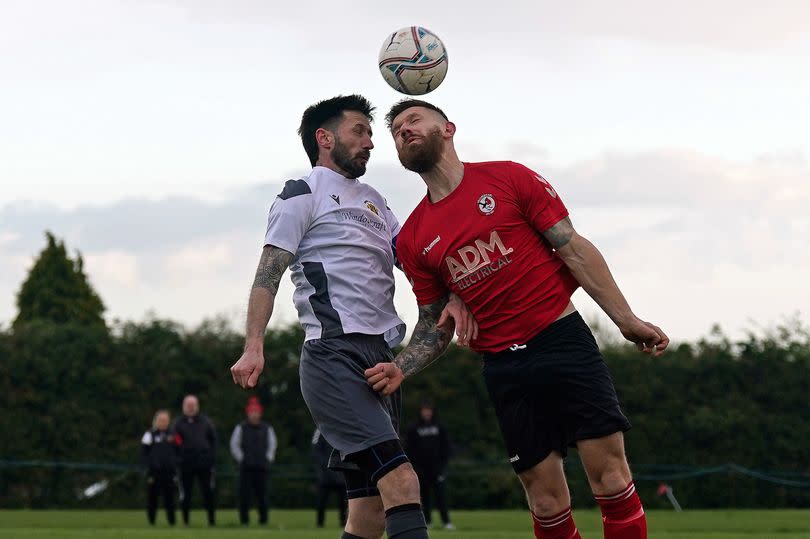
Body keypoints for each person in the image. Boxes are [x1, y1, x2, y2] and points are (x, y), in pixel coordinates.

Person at [365, 99, 670, 539]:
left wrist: (626, 320)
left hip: (561, 339)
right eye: (395, 130)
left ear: (448, 128)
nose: (403, 131)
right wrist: (402, 366)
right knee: (545, 501)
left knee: (612, 479)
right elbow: (434, 321)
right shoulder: (413, 237)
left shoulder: (507, 177)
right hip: (504, 367)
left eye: (413, 120)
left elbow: (573, 248)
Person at [229, 94, 477, 539]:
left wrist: (453, 293)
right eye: (359, 131)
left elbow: (415, 259)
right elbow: (268, 272)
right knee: (402, 481)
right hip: (333, 357)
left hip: (380, 361)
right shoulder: (301, 194)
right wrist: (253, 346)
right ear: (325, 138)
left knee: (369, 513)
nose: (370, 142)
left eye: (370, 133)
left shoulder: (376, 202)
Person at [229, 396, 277, 525]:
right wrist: (241, 459)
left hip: (262, 467)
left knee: (263, 496)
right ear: (248, 413)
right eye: (252, 412)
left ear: (260, 413)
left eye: (256, 412)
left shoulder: (267, 428)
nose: (254, 415)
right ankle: (244, 521)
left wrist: (268, 458)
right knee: (244, 496)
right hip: (246, 467)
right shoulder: (241, 427)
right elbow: (234, 445)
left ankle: (263, 520)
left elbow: (272, 445)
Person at [405, 403, 453, 530]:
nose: (427, 413)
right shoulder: (413, 428)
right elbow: (409, 449)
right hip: (421, 470)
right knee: (424, 497)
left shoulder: (440, 427)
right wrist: (414, 467)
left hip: (437, 469)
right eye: (424, 410)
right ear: (421, 411)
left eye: (429, 410)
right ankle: (427, 522)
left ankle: (446, 522)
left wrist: (443, 466)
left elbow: (446, 447)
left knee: (441, 496)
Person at [172, 394, 217, 526]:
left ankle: (211, 522)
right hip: (185, 465)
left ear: (197, 406)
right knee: (186, 494)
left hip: (204, 464)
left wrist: (211, 457)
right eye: (188, 405)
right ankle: (185, 522)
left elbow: (213, 440)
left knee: (208, 492)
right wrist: (178, 458)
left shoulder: (206, 422)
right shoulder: (178, 423)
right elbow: (174, 441)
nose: (191, 408)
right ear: (183, 407)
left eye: (193, 405)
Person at [141, 409, 178, 526]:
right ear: (156, 421)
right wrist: (149, 467)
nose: (163, 422)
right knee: (152, 498)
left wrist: (176, 463)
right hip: (154, 472)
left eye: (165, 420)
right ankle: (152, 522)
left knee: (170, 499)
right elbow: (144, 453)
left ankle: (172, 522)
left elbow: (180, 450)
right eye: (160, 420)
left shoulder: (174, 435)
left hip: (169, 472)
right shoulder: (149, 434)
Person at [311, 428, 348, 528]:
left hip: (341, 474)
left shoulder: (344, 427)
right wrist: (325, 465)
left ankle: (344, 524)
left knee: (344, 502)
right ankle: (320, 523)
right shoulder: (320, 429)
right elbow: (316, 449)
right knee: (322, 501)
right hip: (325, 475)